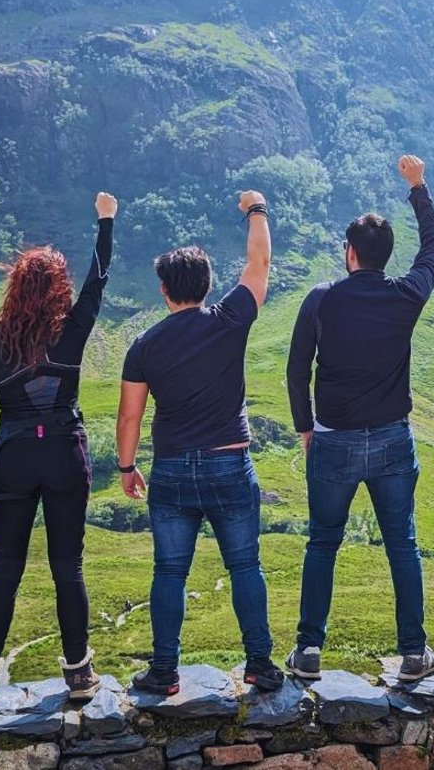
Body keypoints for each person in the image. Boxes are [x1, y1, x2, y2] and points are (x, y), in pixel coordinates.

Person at [0, 192, 118, 708]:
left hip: (15, 459)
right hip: (65, 453)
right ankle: (80, 675)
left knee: (6, 567)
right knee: (69, 567)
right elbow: (100, 276)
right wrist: (106, 221)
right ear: (59, 288)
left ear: (14, 287)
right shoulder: (74, 328)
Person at [283, 154, 434, 683]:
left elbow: (295, 368)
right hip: (395, 440)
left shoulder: (321, 298)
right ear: (385, 255)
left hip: (333, 439)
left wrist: (306, 427)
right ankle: (415, 653)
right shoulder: (406, 295)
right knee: (402, 543)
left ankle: (308, 651)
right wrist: (418, 188)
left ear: (349, 253)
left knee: (323, 542)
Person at [115, 190, 283, 696]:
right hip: (230, 463)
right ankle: (260, 665)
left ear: (165, 290)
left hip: (170, 469)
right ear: (209, 286)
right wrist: (257, 209)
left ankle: (165, 671)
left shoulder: (143, 345)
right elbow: (260, 261)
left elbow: (130, 415)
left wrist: (126, 468)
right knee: (245, 565)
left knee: (169, 571)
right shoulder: (230, 319)